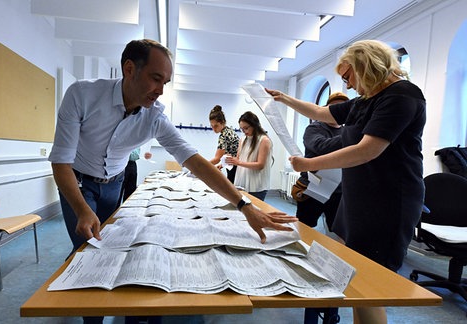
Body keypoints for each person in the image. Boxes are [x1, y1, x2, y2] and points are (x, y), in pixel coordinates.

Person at [48, 40, 298, 323]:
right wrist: (81, 208)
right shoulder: (82, 95)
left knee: (108, 247)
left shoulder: (154, 117)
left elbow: (196, 162)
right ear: (129, 69)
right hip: (77, 181)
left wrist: (244, 206)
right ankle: (91, 317)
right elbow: (61, 162)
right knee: (86, 249)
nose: (161, 89)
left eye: (165, 81)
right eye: (156, 78)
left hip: (114, 183)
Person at [267, 39, 426, 324]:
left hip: (387, 200)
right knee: (356, 278)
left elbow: (368, 149)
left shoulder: (402, 94)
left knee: (371, 287)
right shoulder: (366, 101)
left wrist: (308, 164)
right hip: (358, 198)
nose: (348, 85)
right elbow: (320, 113)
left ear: (365, 65)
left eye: (347, 76)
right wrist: (283, 98)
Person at [294, 92, 349, 230]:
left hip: (338, 191)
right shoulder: (314, 128)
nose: (338, 112)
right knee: (304, 227)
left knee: (337, 231)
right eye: (334, 108)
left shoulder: (346, 131)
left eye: (342, 109)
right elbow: (321, 147)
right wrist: (353, 136)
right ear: (326, 109)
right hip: (313, 188)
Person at [226, 111, 272, 201]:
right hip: (241, 183)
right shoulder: (242, 139)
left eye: (246, 128)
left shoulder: (264, 140)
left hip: (257, 186)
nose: (244, 131)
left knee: (255, 211)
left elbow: (260, 165)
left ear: (254, 125)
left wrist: (238, 162)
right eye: (242, 129)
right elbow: (239, 159)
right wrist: (227, 161)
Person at [208, 105, 240, 183]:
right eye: (212, 126)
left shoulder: (224, 136)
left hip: (235, 167)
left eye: (216, 126)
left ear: (223, 122)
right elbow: (232, 152)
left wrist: (202, 166)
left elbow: (217, 158)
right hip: (236, 165)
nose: (214, 129)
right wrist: (222, 164)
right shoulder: (229, 131)